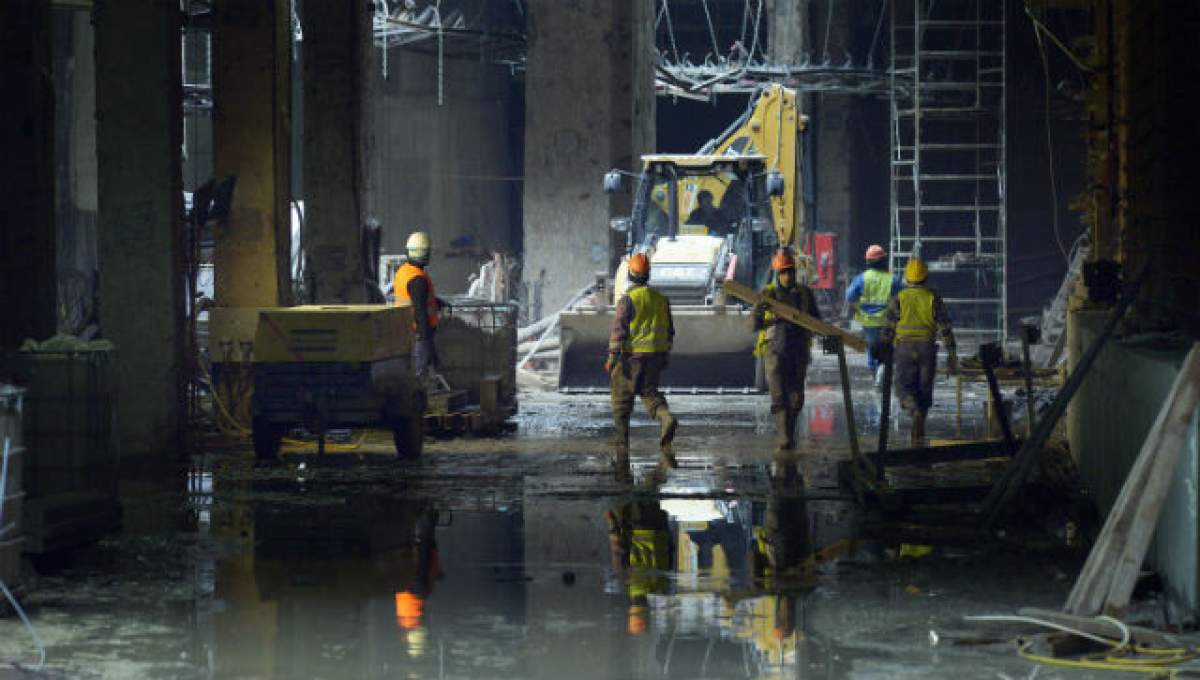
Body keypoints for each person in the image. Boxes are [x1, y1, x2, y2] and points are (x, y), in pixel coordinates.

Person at [606, 252, 679, 468]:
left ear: (630, 274)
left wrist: (612, 357)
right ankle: (666, 417)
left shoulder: (628, 299)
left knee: (621, 397)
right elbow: (670, 332)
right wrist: (665, 355)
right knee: (649, 393)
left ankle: (622, 440)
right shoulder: (661, 300)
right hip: (655, 357)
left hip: (631, 359)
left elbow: (618, 330)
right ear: (648, 274)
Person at [877, 257, 957, 447]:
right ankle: (919, 429)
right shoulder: (933, 297)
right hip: (927, 349)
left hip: (904, 348)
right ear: (925, 277)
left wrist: (883, 347)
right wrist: (952, 354)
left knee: (903, 388)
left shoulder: (900, 297)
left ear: (907, 277)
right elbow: (945, 327)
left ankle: (914, 412)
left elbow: (888, 327)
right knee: (924, 390)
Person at [753, 250, 821, 452]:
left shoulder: (804, 294)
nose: (788, 276)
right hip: (774, 351)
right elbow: (754, 324)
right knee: (778, 397)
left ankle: (789, 435)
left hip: (798, 351)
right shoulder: (768, 294)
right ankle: (784, 438)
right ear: (777, 273)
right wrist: (766, 315)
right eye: (784, 272)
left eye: (790, 271)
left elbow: (817, 320)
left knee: (796, 397)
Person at [845, 244, 903, 386]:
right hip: (887, 323)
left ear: (868, 262)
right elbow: (904, 297)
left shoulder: (861, 278)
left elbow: (849, 296)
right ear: (884, 261)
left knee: (871, 351)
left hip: (868, 323)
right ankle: (883, 374)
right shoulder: (893, 279)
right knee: (887, 350)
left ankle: (876, 378)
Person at [393, 231, 444, 377]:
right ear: (426, 254)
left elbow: (414, 299)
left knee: (416, 372)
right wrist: (427, 343)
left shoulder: (404, 271)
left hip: (408, 329)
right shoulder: (418, 279)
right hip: (419, 334)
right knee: (419, 374)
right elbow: (420, 311)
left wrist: (436, 302)